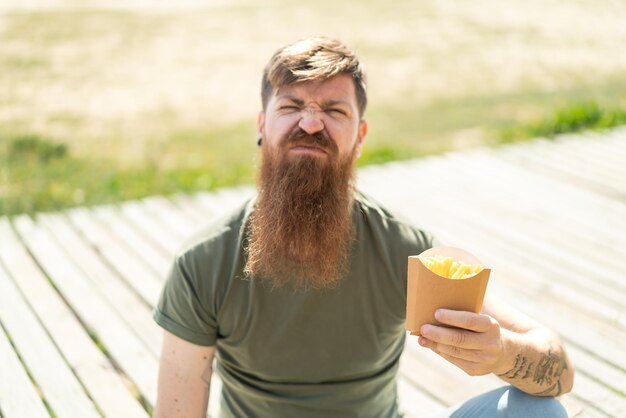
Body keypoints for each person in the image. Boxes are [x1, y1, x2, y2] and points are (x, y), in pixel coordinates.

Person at [152, 37, 574, 418]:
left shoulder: (406, 251)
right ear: (261, 125)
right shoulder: (203, 262)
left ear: (360, 136)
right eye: (290, 106)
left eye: (334, 110)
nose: (311, 123)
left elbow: (560, 369)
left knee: (536, 412)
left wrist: (502, 354)